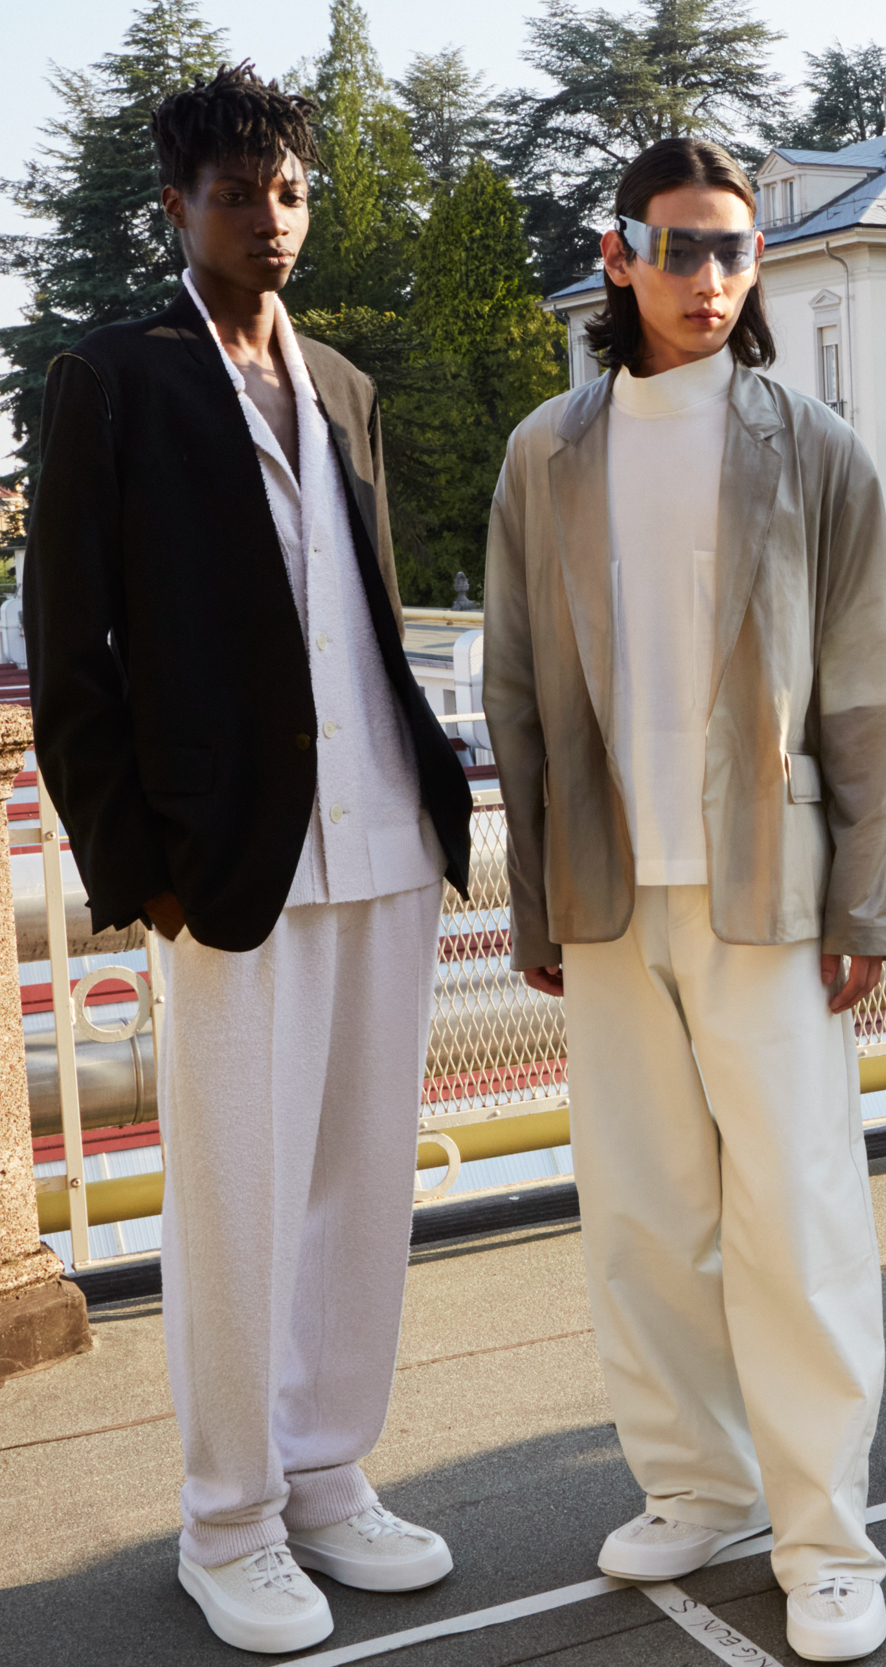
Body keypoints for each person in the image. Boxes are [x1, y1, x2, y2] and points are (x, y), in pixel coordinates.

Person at [26, 64, 472, 1655]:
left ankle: (328, 1474)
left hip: (382, 840)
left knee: (360, 1189)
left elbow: (367, 612)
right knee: (237, 1201)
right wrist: (133, 864)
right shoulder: (112, 379)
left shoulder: (342, 381)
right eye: (236, 196)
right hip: (226, 864)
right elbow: (67, 649)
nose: (269, 220)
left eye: (288, 193)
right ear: (179, 206)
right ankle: (229, 1521)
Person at [483, 137, 886, 1662]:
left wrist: (866, 901)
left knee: (799, 1218)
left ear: (756, 259)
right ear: (621, 256)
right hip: (608, 885)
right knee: (643, 1217)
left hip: (770, 890)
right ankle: (697, 1483)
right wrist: (532, 900)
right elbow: (512, 689)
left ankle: (826, 1533)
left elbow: (867, 695)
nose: (708, 277)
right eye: (679, 247)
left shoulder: (819, 447)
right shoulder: (547, 450)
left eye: (732, 249)